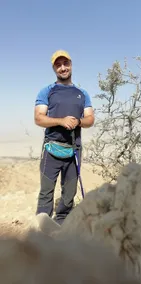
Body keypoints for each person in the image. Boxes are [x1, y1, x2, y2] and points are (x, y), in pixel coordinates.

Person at [34, 50, 94, 226]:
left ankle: (61, 227)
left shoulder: (82, 93)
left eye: (65, 63)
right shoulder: (47, 91)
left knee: (69, 194)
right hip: (51, 148)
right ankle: (42, 230)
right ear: (54, 68)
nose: (62, 68)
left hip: (73, 149)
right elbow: (39, 118)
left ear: (71, 64)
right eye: (58, 65)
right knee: (46, 192)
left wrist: (79, 122)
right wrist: (61, 121)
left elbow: (90, 119)